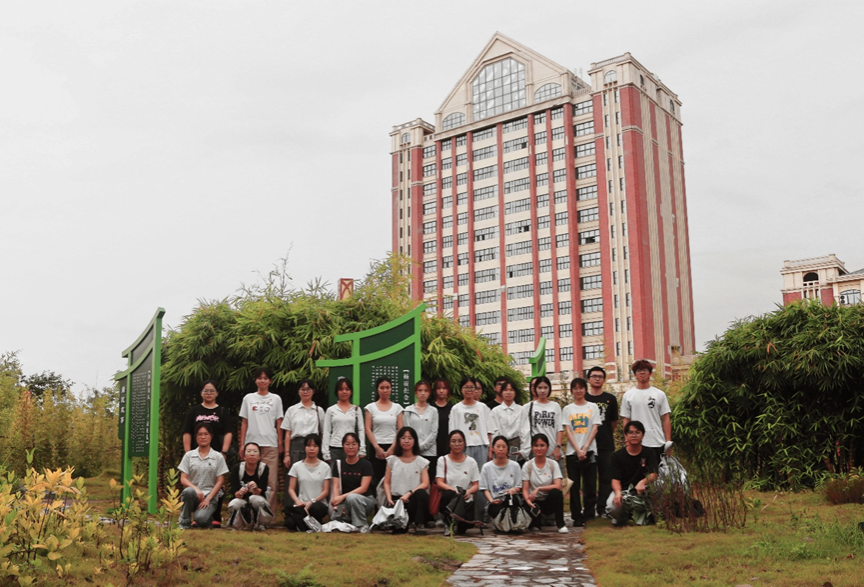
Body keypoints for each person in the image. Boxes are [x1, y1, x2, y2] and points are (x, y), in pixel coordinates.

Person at [238, 367, 283, 517]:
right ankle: (249, 516)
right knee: (250, 481)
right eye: (259, 378)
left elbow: (279, 422)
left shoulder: (276, 399)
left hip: (270, 444)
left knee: (271, 483)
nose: (262, 381)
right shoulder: (248, 398)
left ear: (270, 381)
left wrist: (280, 443)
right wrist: (242, 445)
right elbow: (244, 422)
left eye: (265, 378)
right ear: (255, 380)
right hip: (252, 445)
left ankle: (268, 518)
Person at [562, 378, 601, 527]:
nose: (578, 391)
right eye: (575, 388)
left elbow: (595, 429)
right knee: (573, 485)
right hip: (572, 453)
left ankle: (589, 515)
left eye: (581, 388)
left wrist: (585, 448)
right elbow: (568, 430)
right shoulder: (568, 409)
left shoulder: (593, 407)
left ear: (585, 389)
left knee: (590, 485)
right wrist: (578, 450)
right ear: (571, 391)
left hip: (590, 452)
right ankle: (577, 516)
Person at [178, 422, 229, 529]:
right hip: (194, 495)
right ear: (196, 437)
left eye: (206, 434)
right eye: (200, 434)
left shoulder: (218, 457)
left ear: (211, 436)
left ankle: (206, 518)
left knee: (201, 519)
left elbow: (220, 481)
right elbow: (183, 478)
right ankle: (184, 522)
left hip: (210, 497)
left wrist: (208, 499)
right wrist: (196, 489)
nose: (203, 437)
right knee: (188, 491)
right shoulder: (189, 455)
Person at [608, 421, 659, 526]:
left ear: (643, 435)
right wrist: (618, 493)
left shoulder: (649, 453)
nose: (634, 435)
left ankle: (646, 517)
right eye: (631, 432)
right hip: (625, 492)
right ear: (626, 435)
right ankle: (623, 517)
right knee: (611, 506)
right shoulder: (617, 456)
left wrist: (643, 482)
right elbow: (615, 479)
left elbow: (654, 474)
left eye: (637, 432)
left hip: (644, 491)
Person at [584, 366, 619, 518]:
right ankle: (589, 510)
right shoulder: (584, 398)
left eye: (600, 376)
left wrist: (605, 433)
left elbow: (613, 422)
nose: (597, 379)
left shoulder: (610, 399)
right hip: (587, 445)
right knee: (589, 479)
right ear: (588, 379)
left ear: (604, 379)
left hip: (606, 444)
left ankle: (602, 508)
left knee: (606, 477)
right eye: (594, 376)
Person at [620, 360, 671, 461]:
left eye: (645, 370)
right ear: (635, 374)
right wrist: (627, 440)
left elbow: (665, 419)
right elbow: (626, 419)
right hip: (636, 442)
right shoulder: (628, 395)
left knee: (656, 470)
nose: (642, 372)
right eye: (639, 370)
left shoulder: (659, 394)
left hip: (657, 441)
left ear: (650, 373)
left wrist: (668, 442)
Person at [383, 427, 430, 535]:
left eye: (410, 438)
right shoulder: (392, 460)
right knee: (399, 531)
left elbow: (425, 483)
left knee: (421, 494)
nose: (406, 441)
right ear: (398, 440)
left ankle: (418, 524)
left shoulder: (421, 461)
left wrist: (409, 493)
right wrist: (389, 498)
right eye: (403, 438)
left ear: (415, 441)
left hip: (413, 499)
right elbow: (387, 482)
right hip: (397, 501)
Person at [436, 430, 481, 536]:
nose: (457, 444)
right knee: (448, 494)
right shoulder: (443, 460)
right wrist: (455, 491)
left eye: (460, 441)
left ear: (464, 443)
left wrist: (468, 491)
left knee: (463, 529)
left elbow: (476, 485)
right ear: (449, 444)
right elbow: (439, 482)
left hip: (465, 499)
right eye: (453, 441)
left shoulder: (471, 462)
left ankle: (460, 524)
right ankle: (448, 523)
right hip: (450, 498)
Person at [521, 433, 568, 533]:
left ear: (547, 447)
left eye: (542, 445)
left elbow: (558, 485)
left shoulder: (553, 464)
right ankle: (535, 523)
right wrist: (528, 501)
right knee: (524, 500)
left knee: (556, 493)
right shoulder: (527, 465)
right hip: (534, 501)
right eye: (536, 445)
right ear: (532, 447)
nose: (539, 448)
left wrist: (539, 488)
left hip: (548, 500)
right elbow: (525, 489)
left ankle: (561, 524)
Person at [330, 432, 375, 532]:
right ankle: (349, 521)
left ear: (358, 446)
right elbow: (336, 487)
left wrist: (342, 497)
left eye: (354, 444)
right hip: (345, 500)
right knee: (334, 517)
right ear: (343, 446)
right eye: (347, 444)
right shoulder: (338, 464)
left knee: (352, 497)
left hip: (365, 501)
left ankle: (361, 525)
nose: (351, 447)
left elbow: (363, 488)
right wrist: (337, 502)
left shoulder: (366, 464)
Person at [285, 434, 331, 531]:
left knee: (315, 509)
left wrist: (312, 501)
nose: (311, 449)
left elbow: (326, 491)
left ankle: (305, 524)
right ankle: (310, 525)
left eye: (315, 446)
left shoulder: (325, 467)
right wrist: (297, 501)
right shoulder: (296, 466)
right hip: (302, 504)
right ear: (304, 447)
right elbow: (291, 489)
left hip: (318, 504)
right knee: (289, 522)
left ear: (319, 448)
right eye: (309, 445)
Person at [366, 376, 405, 489]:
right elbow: (368, 429)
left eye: (387, 387)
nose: (385, 390)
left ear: (391, 389)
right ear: (377, 389)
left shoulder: (397, 408)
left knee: (393, 477)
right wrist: (376, 447)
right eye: (382, 388)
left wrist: (393, 448)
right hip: (376, 447)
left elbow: (401, 430)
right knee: (377, 478)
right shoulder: (370, 408)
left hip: (393, 446)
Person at [226, 442, 273, 530]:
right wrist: (240, 493)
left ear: (259, 456)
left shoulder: (263, 468)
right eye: (249, 451)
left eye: (255, 451)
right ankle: (238, 524)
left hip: (257, 498)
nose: (252, 454)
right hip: (242, 500)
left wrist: (255, 488)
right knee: (234, 503)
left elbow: (261, 490)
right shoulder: (236, 468)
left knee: (255, 499)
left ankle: (260, 524)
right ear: (244, 456)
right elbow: (234, 491)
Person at [281, 379, 326, 471]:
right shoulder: (291, 410)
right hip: (296, 447)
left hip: (313, 447)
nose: (305, 392)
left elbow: (323, 433)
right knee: (295, 475)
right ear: (298, 391)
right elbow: (288, 433)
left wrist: (323, 451)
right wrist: (287, 454)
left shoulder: (319, 411)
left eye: (308, 389)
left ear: (313, 391)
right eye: (303, 389)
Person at [449, 377, 492, 468]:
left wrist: (490, 449)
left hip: (481, 445)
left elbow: (489, 430)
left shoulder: (483, 407)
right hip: (463, 446)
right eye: (466, 387)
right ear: (461, 389)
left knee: (480, 472)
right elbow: (452, 431)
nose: (469, 390)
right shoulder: (456, 409)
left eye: (472, 387)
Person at [182, 380, 234, 456]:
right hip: (196, 454)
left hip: (217, 453)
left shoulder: (222, 412)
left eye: (212, 391)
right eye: (206, 391)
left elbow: (228, 432)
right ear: (201, 393)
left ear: (217, 393)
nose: (209, 393)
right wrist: (188, 453)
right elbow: (187, 432)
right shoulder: (194, 411)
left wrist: (224, 452)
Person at [402, 380, 439, 482]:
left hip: (430, 452)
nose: (423, 393)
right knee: (413, 481)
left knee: (428, 481)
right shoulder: (408, 410)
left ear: (429, 393)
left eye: (426, 390)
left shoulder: (433, 411)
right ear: (415, 392)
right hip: (412, 452)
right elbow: (407, 432)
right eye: (420, 390)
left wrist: (421, 446)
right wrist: (414, 447)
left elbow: (434, 432)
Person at [322, 377, 366, 463]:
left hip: (352, 449)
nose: (344, 392)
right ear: (337, 391)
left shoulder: (356, 409)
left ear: (351, 391)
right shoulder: (331, 410)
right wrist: (325, 452)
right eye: (341, 389)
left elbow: (361, 430)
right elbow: (326, 431)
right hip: (335, 448)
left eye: (347, 389)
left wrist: (362, 449)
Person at [480, 436, 522, 522]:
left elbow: (519, 486)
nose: (501, 449)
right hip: (496, 500)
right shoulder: (486, 467)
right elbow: (484, 488)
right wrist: (491, 500)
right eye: (498, 446)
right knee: (496, 511)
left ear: (507, 449)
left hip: (510, 498)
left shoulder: (515, 466)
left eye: (504, 446)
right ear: (493, 448)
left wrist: (513, 490)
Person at [489, 379, 529, 462]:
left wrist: (524, 451)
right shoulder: (495, 411)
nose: (508, 392)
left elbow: (525, 431)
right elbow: (494, 432)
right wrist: (497, 448)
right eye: (505, 390)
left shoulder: (521, 410)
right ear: (501, 393)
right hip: (500, 447)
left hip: (517, 446)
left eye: (511, 390)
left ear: (515, 392)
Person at [526, 376, 563, 463]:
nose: (542, 391)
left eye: (545, 387)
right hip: (536, 452)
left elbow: (559, 429)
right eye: (539, 388)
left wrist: (558, 447)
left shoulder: (555, 406)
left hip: (553, 452)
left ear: (549, 389)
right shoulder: (528, 407)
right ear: (535, 389)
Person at [432, 379, 454, 464]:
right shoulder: (430, 408)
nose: (441, 391)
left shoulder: (452, 409)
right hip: (433, 446)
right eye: (438, 388)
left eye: (444, 388)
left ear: (448, 390)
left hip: (447, 445)